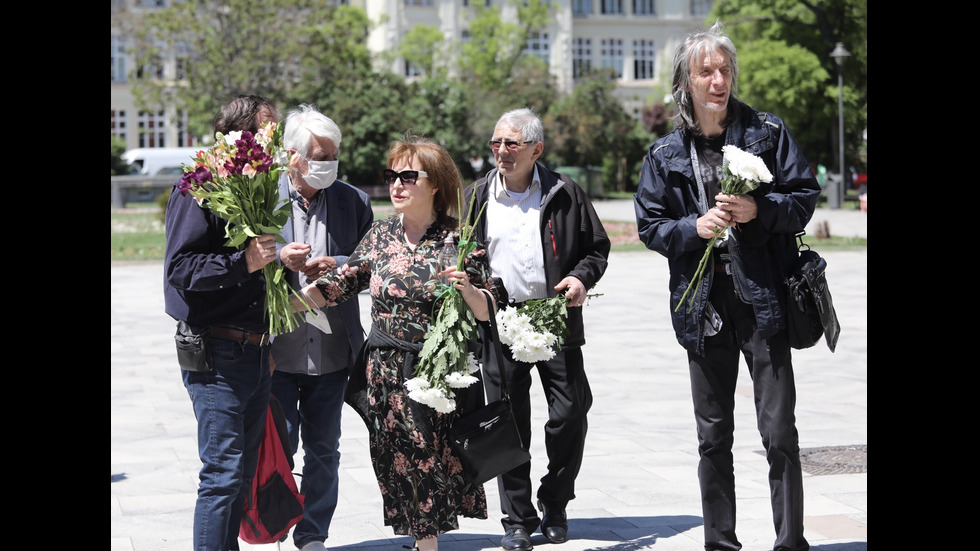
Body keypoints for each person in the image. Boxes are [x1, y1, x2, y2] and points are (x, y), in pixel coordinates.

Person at [633, 22, 820, 551]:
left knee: (779, 432)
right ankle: (721, 543)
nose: (718, 80)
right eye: (706, 71)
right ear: (685, 83)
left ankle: (791, 543)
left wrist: (759, 209)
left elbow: (804, 197)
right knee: (713, 437)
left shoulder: (767, 133)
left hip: (763, 301)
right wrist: (694, 228)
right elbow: (651, 227)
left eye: (725, 70)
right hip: (702, 305)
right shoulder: (664, 154)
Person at [291, 134, 499, 551]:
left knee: (428, 455)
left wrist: (468, 291)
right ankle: (426, 538)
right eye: (391, 176)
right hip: (384, 369)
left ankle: (427, 542)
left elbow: (488, 308)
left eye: (408, 176)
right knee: (400, 459)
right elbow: (340, 283)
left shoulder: (459, 239)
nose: (396, 185)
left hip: (438, 372)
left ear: (435, 183)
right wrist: (285, 307)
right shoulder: (381, 235)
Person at [463, 107, 610, 551]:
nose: (501, 152)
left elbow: (596, 247)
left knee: (570, 413)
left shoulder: (565, 191)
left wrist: (582, 277)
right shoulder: (475, 196)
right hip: (498, 316)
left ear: (536, 149)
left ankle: (556, 501)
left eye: (511, 144)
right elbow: (461, 252)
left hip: (553, 315)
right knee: (509, 422)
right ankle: (518, 519)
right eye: (496, 144)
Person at [163, 94, 281, 551]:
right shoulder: (199, 187)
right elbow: (182, 270)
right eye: (269, 130)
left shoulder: (259, 184)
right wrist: (244, 262)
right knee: (222, 476)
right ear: (241, 135)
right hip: (216, 354)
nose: (276, 140)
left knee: (241, 476)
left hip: (255, 351)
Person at [270, 104, 374, 551]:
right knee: (278, 449)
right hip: (275, 350)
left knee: (324, 451)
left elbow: (375, 264)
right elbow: (241, 267)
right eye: (319, 156)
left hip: (333, 354)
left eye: (334, 156)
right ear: (293, 156)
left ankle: (312, 535)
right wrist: (279, 259)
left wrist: (342, 265)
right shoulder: (260, 197)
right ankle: (273, 523)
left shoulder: (354, 201)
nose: (328, 164)